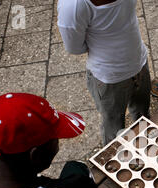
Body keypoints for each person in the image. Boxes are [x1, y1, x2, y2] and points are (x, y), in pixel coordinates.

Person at [58, 0, 150, 145]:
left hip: (139, 62)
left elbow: (76, 46)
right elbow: (74, 47)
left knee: (143, 117)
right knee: (114, 131)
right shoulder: (73, 5)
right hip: (110, 78)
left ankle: (145, 146)